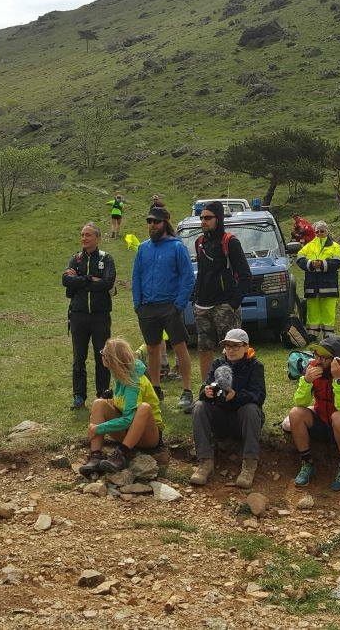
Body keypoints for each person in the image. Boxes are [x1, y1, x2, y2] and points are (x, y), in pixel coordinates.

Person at [132, 205, 195, 409]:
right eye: (149, 222)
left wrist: (178, 304)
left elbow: (187, 278)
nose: (152, 225)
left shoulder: (177, 247)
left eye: (156, 222)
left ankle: (187, 390)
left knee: (180, 347)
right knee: (152, 349)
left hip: (170, 306)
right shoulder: (143, 248)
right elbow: (136, 277)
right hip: (147, 307)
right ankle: (156, 389)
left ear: (165, 223)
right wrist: (138, 304)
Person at [190, 328, 266, 488]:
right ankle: (205, 462)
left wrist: (236, 395)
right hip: (220, 418)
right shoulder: (218, 364)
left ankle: (249, 464)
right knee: (199, 406)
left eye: (235, 346)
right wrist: (207, 392)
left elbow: (259, 396)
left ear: (246, 347)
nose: (230, 350)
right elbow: (203, 389)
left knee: (251, 409)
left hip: (243, 419)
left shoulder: (255, 366)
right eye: (228, 347)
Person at [286, 335, 340, 492]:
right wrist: (306, 381)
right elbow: (300, 402)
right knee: (295, 413)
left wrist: (339, 379)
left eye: (324, 358)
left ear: (336, 360)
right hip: (322, 421)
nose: (318, 361)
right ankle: (307, 463)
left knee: (338, 417)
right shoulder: (312, 367)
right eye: (316, 355)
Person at [80, 338, 164, 475]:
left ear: (111, 360)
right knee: (99, 404)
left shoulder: (135, 382)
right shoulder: (120, 374)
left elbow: (128, 420)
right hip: (128, 431)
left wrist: (98, 428)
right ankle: (95, 456)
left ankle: (121, 455)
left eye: (104, 353)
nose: (101, 355)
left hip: (149, 436)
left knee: (144, 408)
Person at [193, 201, 252, 389]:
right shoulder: (199, 242)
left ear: (218, 219)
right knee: (204, 350)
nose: (203, 221)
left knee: (232, 351)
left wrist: (233, 303)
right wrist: (195, 299)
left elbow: (246, 276)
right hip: (202, 307)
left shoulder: (230, 242)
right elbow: (202, 273)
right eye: (201, 217)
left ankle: (231, 390)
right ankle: (207, 389)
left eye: (208, 218)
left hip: (224, 306)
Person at [63, 222, 117, 409]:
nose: (84, 238)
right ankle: (79, 396)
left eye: (88, 235)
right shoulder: (76, 259)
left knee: (102, 355)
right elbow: (65, 280)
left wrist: (78, 281)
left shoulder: (106, 259)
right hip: (78, 315)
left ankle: (102, 394)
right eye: (82, 234)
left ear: (97, 238)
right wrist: (88, 279)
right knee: (79, 357)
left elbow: (107, 283)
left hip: (100, 315)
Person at [296, 221, 340, 338]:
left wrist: (322, 264)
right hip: (312, 285)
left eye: (322, 231)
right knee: (312, 310)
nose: (319, 234)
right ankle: (312, 334)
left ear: (327, 232)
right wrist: (310, 264)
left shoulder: (335, 246)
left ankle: (328, 335)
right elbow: (299, 258)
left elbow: (338, 262)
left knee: (328, 310)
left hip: (329, 284)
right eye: (317, 232)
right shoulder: (309, 245)